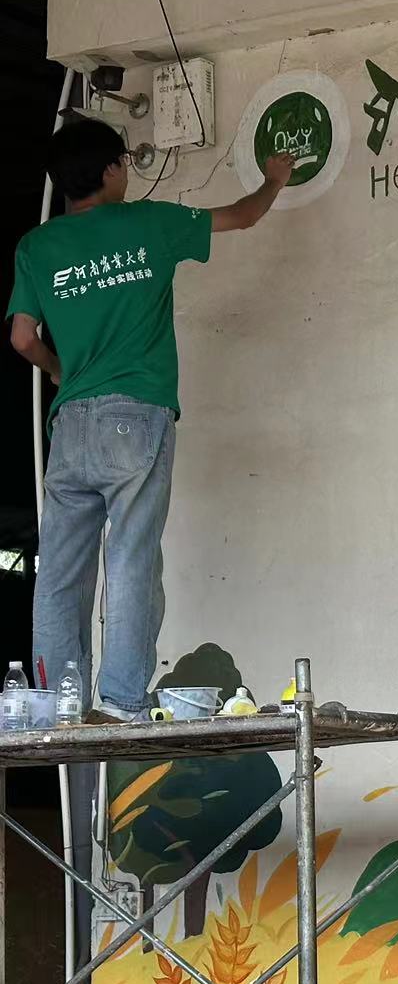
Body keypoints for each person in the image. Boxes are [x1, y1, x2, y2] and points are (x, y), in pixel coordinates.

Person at [6, 118, 293, 721]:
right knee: (131, 557)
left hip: (70, 422)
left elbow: (23, 338)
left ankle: (53, 706)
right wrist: (274, 180)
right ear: (111, 169)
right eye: (124, 164)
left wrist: (60, 371)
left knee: (59, 572)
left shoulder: (36, 246)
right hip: (134, 416)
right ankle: (119, 702)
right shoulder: (149, 223)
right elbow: (243, 216)